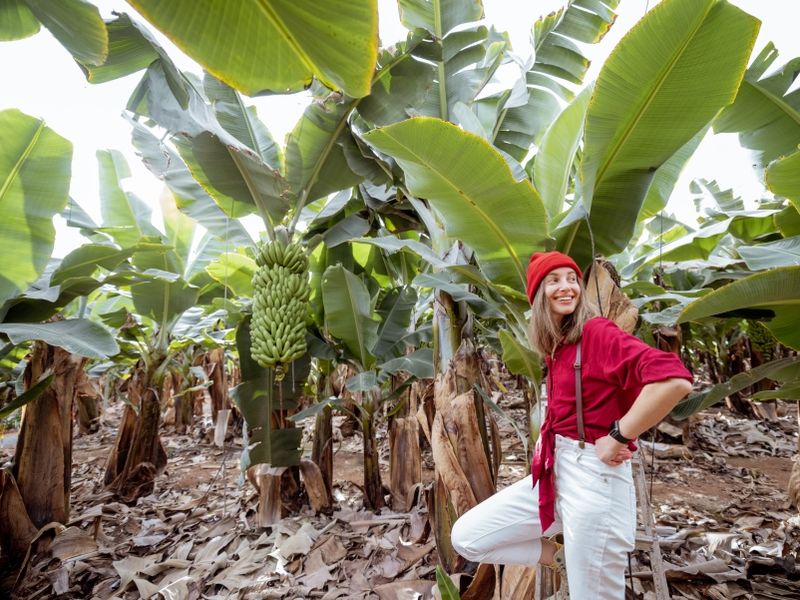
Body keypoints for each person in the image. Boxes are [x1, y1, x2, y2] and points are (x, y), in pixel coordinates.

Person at [450, 251, 693, 599]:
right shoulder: (557, 343)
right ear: (537, 295)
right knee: (469, 537)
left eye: (571, 279)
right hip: (557, 472)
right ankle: (562, 557)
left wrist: (619, 434)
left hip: (595, 479)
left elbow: (675, 380)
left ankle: (587, 560)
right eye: (553, 280)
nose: (565, 287)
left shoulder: (597, 332)